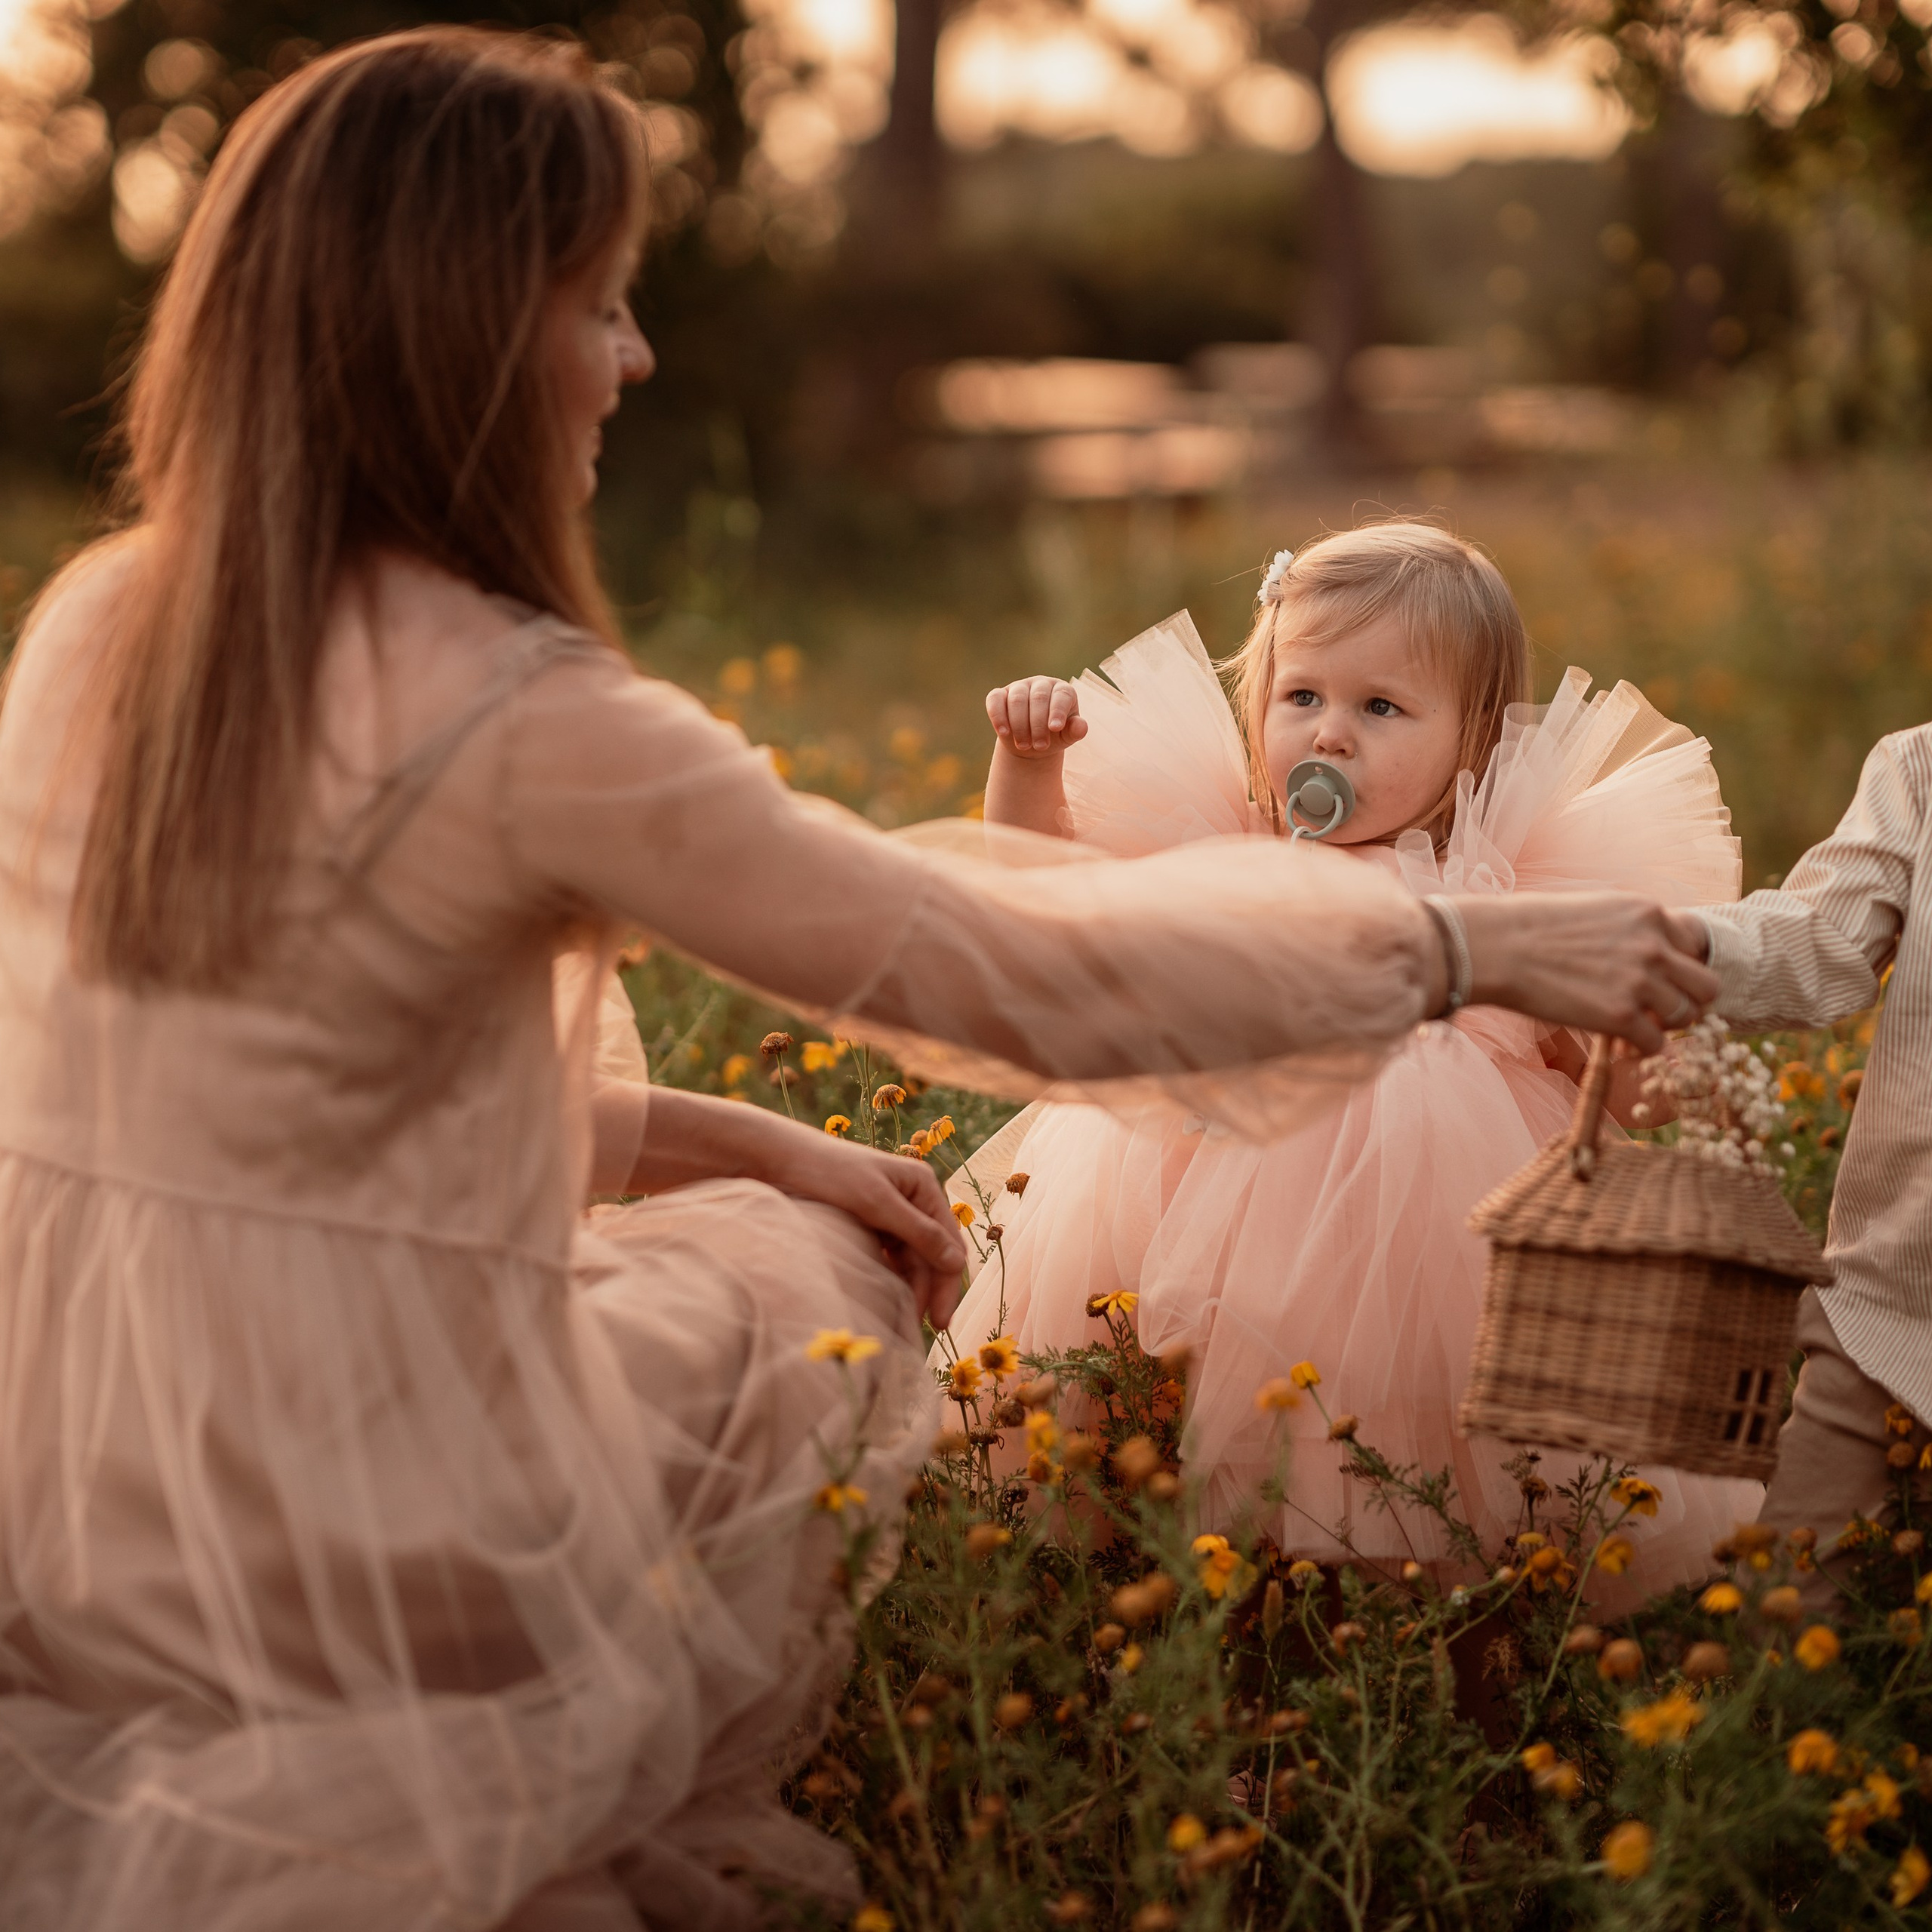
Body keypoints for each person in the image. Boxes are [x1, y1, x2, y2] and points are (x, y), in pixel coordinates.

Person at [0, 32, 1720, 1932]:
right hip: (362, 1472)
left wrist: (762, 1138)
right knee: (791, 1304)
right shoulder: (530, 713)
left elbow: (315, 1105)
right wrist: (1473, 945)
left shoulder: (101, 622)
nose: (636, 356)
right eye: (601, 301)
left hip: (81, 1450)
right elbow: (1004, 974)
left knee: (788, 1210)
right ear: (465, 336)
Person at [947, 525, 1759, 1583]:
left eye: (1380, 708)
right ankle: (1171, 1607)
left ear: (1471, 739)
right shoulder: (1216, 843)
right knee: (1156, 1416)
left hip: (1417, 1249)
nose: (1329, 733)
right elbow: (1041, 898)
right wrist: (1028, 762)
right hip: (1169, 1212)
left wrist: (1653, 1044)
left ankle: (1403, 1621)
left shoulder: (1502, 890)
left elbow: (1630, 1091)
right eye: (1302, 696)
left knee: (1399, 1457)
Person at [1678, 726, 1932, 1601]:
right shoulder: (1921, 770)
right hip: (1895, 1316)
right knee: (1781, 1623)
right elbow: (1816, 938)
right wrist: (1679, 944)